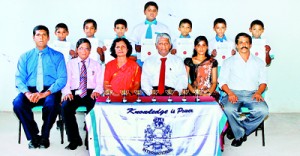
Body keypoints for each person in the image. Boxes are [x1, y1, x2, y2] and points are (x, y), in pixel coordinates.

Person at [13, 25, 67, 149]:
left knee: (52, 104)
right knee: (18, 103)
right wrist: (27, 93)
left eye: (44, 35)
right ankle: (33, 136)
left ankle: (44, 136)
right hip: (30, 90)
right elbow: (19, 78)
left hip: (50, 90)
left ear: (48, 37)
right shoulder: (25, 57)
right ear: (33, 37)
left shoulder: (58, 56)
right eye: (38, 35)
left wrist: (45, 93)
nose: (41, 37)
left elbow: (62, 79)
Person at [218, 32, 269, 147]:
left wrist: (258, 92)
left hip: (253, 94)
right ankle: (239, 134)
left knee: (263, 110)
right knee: (228, 108)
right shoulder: (228, 62)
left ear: (250, 45)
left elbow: (263, 82)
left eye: (246, 42)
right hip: (233, 93)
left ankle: (239, 131)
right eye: (241, 42)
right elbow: (222, 82)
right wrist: (230, 93)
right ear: (236, 45)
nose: (244, 45)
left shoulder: (259, 62)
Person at [61, 38, 103, 150]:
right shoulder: (70, 64)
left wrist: (96, 91)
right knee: (65, 107)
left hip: (91, 92)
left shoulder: (96, 64)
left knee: (94, 109)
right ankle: (74, 140)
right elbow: (66, 81)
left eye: (87, 49)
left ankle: (90, 139)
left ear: (90, 50)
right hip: (75, 91)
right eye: (81, 48)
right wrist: (67, 92)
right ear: (76, 50)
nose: (84, 51)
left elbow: (100, 83)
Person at [131, 1, 170, 66]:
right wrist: (135, 49)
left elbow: (169, 43)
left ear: (157, 13)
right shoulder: (137, 28)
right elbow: (132, 42)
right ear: (144, 12)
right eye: (149, 10)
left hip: (158, 60)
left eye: (154, 10)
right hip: (140, 59)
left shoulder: (164, 28)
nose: (152, 12)